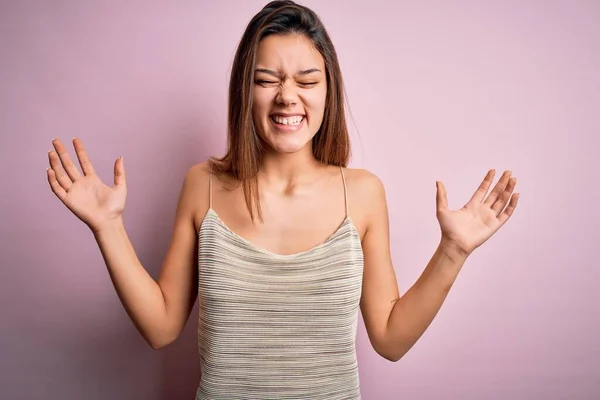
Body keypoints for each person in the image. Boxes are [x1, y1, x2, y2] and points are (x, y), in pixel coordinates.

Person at [46, 1, 519, 398]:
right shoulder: (202, 184)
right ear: (244, 91)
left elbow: (391, 339)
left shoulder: (363, 193)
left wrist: (453, 251)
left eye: (307, 81)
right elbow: (162, 328)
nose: (287, 97)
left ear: (327, 93)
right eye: (267, 79)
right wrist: (107, 227)